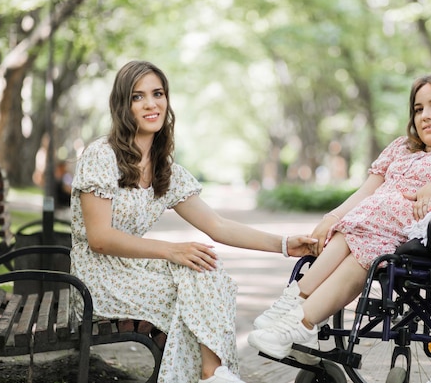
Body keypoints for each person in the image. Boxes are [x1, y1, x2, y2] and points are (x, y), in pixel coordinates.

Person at [69, 60, 318, 383]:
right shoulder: (102, 156)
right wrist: (171, 250)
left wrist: (284, 245)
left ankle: (212, 375)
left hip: (132, 270)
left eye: (157, 94)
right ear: (122, 105)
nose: (150, 104)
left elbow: (218, 225)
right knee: (194, 292)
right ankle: (214, 375)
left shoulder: (162, 168)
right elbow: (99, 238)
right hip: (97, 278)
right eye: (137, 96)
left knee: (206, 270)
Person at [247, 73, 431, 364]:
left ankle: (300, 317)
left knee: (364, 241)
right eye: (418, 109)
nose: (426, 115)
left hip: (420, 232)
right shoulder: (403, 147)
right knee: (356, 231)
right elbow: (366, 192)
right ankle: (297, 305)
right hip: (370, 225)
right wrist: (332, 216)